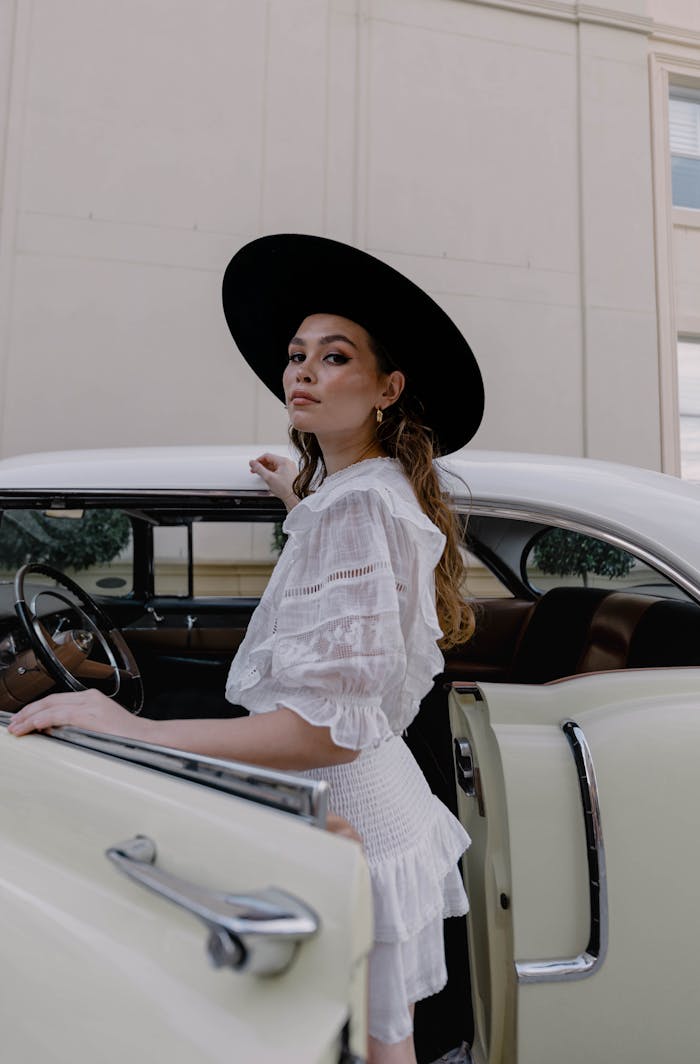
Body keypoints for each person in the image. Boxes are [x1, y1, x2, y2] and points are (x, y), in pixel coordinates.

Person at [8, 234, 484, 1064]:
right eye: (297, 355)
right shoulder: (359, 492)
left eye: (335, 357)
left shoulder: (355, 508)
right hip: (362, 810)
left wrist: (137, 734)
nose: (302, 370)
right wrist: (298, 494)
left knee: (379, 1050)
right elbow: (346, 571)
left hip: (349, 818)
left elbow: (322, 731)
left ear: (386, 388)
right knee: (377, 1043)